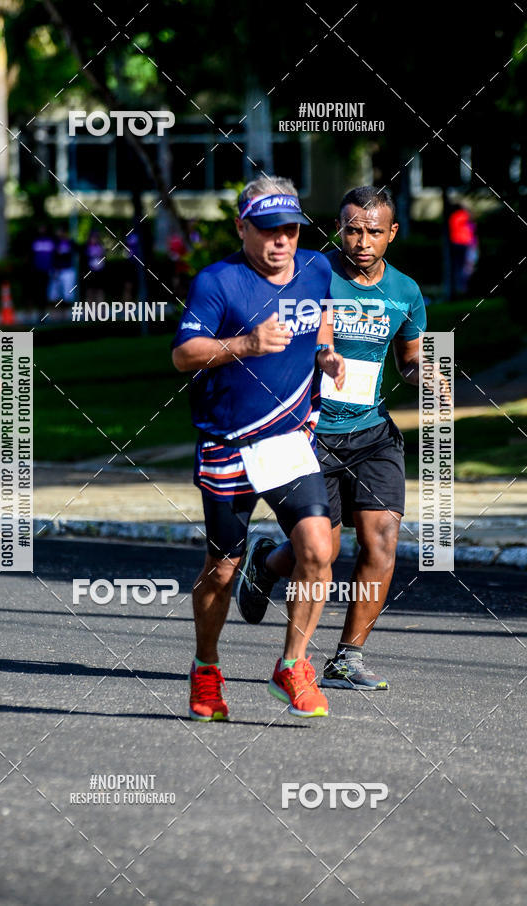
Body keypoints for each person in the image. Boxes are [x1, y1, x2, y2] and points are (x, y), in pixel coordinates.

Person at [236, 186, 427, 691]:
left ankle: (347, 657)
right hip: (310, 432)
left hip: (372, 433)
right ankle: (265, 564)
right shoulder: (311, 276)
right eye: (352, 230)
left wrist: (425, 375)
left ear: (392, 233)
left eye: (373, 232)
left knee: (381, 537)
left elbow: (409, 360)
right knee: (320, 547)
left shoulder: (406, 291)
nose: (362, 241)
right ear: (339, 229)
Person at [172, 175, 345, 721]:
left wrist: (326, 353)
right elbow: (183, 354)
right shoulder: (217, 282)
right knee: (223, 567)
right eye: (269, 230)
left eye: (290, 229)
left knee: (318, 548)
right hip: (228, 442)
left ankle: (292, 666)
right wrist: (245, 343)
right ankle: (206, 668)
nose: (281, 241)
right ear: (242, 228)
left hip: (288, 439)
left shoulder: (317, 268)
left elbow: (321, 316)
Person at [448, 203, 478, 297]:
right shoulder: (461, 215)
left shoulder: (452, 217)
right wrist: (466, 208)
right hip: (463, 244)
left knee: (459, 266)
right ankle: (463, 288)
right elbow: (472, 215)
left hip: (456, 243)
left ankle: (460, 287)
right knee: (465, 267)